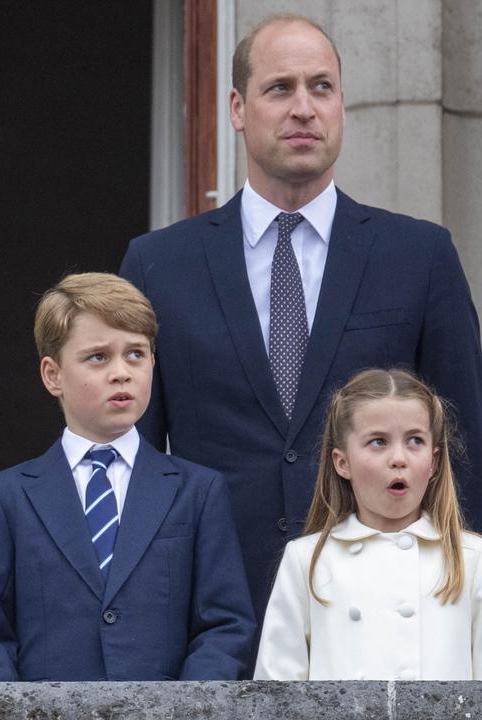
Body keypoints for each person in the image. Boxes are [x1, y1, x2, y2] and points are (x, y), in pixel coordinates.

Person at [119, 13, 482, 622]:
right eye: (280, 88)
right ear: (237, 108)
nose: (304, 108)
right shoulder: (159, 266)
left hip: (388, 619)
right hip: (214, 621)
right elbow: (137, 464)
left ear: (341, 104)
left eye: (322, 87)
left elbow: (465, 451)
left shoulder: (419, 257)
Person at [0, 272, 255, 681]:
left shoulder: (198, 491)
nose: (121, 372)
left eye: (136, 354)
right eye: (98, 357)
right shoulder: (5, 496)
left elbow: (225, 627)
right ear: (52, 375)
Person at [255, 369, 482, 679]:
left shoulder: (472, 559)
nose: (398, 458)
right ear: (342, 462)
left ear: (434, 461)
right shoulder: (306, 560)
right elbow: (276, 692)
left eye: (415, 440)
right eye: (378, 442)